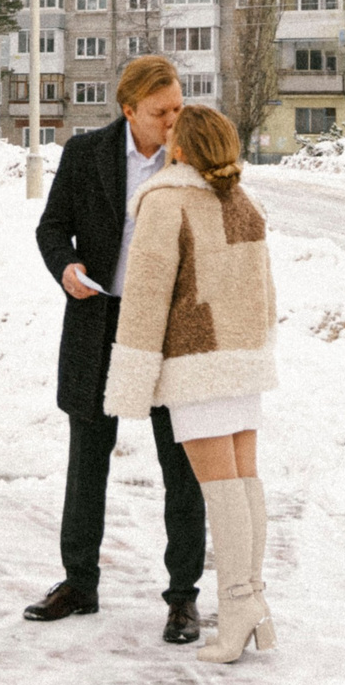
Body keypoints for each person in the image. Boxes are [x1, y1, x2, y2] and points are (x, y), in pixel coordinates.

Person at [24, 54, 208, 645]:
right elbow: (51, 227)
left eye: (179, 107)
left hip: (168, 330)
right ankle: (79, 582)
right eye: (161, 112)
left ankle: (183, 599)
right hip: (98, 320)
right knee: (87, 459)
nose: (173, 121)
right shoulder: (85, 155)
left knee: (180, 465)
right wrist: (66, 267)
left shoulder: (194, 156)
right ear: (129, 110)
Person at [103, 101, 280, 663]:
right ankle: (254, 603)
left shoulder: (165, 202)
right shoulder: (245, 204)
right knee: (245, 483)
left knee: (221, 491)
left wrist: (130, 379)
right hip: (242, 361)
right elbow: (265, 295)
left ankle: (235, 611)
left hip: (197, 362)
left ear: (183, 148)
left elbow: (146, 298)